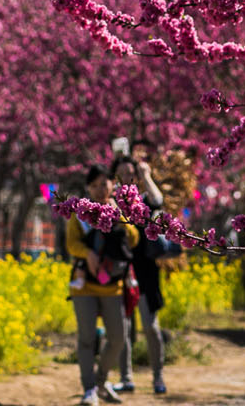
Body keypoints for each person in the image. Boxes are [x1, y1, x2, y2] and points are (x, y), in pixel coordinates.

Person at [68, 165, 141, 406]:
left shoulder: (119, 209)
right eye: (96, 185)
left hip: (113, 285)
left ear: (113, 185)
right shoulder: (81, 214)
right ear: (88, 187)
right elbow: (71, 244)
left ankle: (100, 382)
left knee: (118, 338)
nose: (101, 189)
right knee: (87, 338)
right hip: (85, 285)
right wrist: (87, 252)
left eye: (105, 184)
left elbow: (134, 239)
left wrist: (120, 218)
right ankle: (89, 388)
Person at [111, 153, 168, 394]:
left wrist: (146, 175)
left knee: (151, 327)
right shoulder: (111, 203)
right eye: (122, 173)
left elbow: (158, 199)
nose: (127, 177)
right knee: (123, 328)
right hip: (121, 271)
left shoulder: (143, 199)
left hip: (145, 271)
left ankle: (158, 377)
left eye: (130, 173)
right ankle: (126, 378)